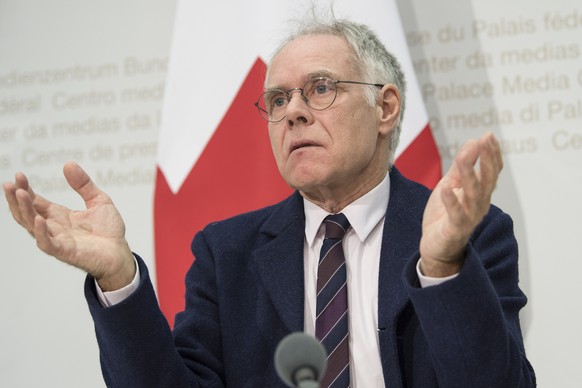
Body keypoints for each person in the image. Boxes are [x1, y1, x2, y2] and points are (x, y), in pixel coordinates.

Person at [3, 13, 535, 388]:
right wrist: (120, 278)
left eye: (320, 88)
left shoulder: (470, 233)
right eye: (278, 99)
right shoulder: (226, 253)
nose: (293, 113)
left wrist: (442, 267)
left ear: (386, 107)